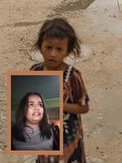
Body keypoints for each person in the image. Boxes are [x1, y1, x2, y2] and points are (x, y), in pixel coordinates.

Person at [31, 18, 89, 163]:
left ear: (67, 51)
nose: (53, 54)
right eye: (48, 47)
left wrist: (58, 105)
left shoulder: (72, 77)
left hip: (68, 141)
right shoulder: (34, 71)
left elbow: (84, 107)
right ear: (40, 46)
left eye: (59, 49)